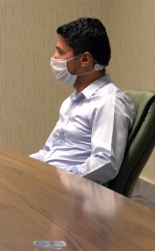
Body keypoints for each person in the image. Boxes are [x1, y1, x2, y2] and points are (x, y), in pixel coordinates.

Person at [30, 17, 135, 184]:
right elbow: (49, 151)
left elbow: (105, 163)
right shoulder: (72, 101)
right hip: (49, 182)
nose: (54, 57)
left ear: (85, 59)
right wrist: (22, 165)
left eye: (60, 52)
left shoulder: (109, 101)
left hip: (69, 190)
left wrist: (58, 178)